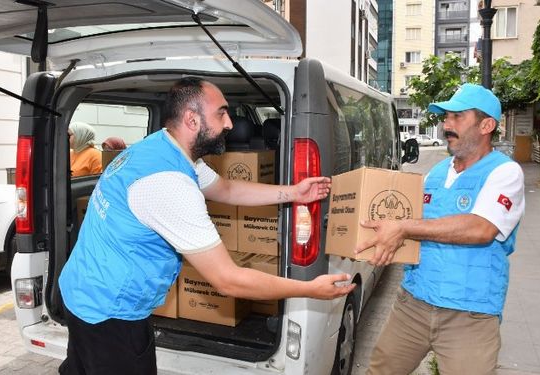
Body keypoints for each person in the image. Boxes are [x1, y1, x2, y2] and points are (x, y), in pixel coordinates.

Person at [58, 77, 356, 375]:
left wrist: (293, 192)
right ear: (191, 119)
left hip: (81, 288)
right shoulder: (169, 184)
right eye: (221, 113)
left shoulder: (164, 146)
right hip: (110, 313)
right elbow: (228, 280)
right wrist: (308, 288)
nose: (229, 123)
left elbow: (225, 189)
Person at [357, 83, 525, 375]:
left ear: (486, 125)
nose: (446, 124)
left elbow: (481, 228)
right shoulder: (437, 173)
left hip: (469, 316)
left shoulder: (505, 172)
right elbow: (409, 223)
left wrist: (404, 228)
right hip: (413, 304)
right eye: (445, 117)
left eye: (457, 117)